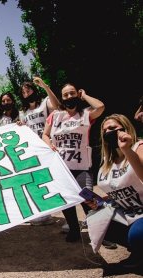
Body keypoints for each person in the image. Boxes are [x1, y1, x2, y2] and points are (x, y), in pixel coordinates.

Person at [42, 83, 105, 242]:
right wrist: (49, 144)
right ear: (62, 98)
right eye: (66, 95)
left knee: (87, 198)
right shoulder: (55, 116)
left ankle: (102, 231)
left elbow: (101, 107)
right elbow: (45, 134)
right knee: (67, 199)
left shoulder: (86, 114)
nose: (69, 97)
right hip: (61, 167)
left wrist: (85, 96)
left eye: (72, 93)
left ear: (77, 94)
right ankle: (74, 230)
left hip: (82, 166)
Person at [89, 114, 143, 268]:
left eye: (112, 128)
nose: (108, 132)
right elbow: (117, 191)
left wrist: (127, 150)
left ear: (125, 128)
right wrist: (98, 201)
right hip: (129, 213)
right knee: (96, 216)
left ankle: (138, 249)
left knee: (137, 235)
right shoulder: (108, 161)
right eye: (105, 130)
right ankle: (138, 251)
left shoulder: (138, 147)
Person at [19, 77, 60, 226]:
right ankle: (41, 213)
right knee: (38, 180)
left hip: (48, 146)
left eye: (28, 90)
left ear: (34, 90)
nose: (26, 93)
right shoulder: (23, 112)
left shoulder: (44, 103)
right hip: (32, 150)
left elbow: (57, 105)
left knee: (53, 179)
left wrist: (45, 85)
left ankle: (63, 213)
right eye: (23, 92)